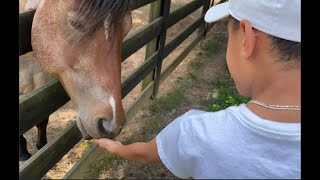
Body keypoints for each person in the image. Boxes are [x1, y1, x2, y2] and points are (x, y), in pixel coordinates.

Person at [92, 0, 301, 178]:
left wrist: (121, 149)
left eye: (230, 35)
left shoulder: (198, 134)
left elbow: (147, 153)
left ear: (247, 38)